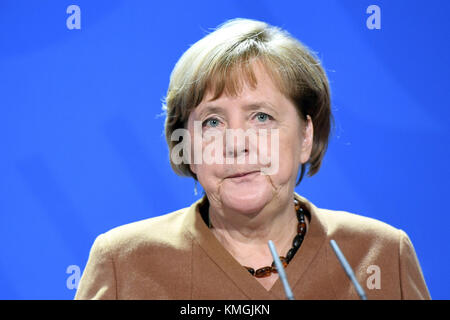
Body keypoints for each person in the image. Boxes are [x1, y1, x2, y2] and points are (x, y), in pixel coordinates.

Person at [75, 18, 430, 300]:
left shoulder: (381, 255)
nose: (237, 144)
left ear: (305, 137)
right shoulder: (124, 263)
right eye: (213, 122)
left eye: (262, 117)